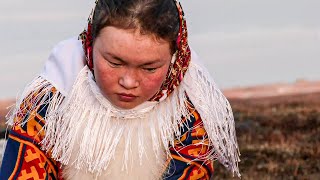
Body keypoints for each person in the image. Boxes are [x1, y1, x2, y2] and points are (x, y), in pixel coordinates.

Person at [0, 0, 240, 179]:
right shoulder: (48, 103)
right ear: (89, 44)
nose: (128, 81)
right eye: (114, 62)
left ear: (175, 59)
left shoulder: (190, 113)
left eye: (149, 68)